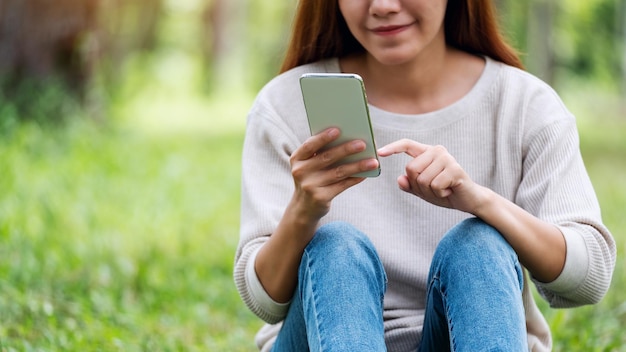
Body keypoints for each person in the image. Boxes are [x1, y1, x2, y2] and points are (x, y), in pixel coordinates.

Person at [234, 0, 617, 351]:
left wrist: (479, 201)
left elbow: (588, 279)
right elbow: (265, 302)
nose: (383, 7)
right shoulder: (284, 105)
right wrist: (303, 210)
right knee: (337, 247)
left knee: (479, 244)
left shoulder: (523, 105)